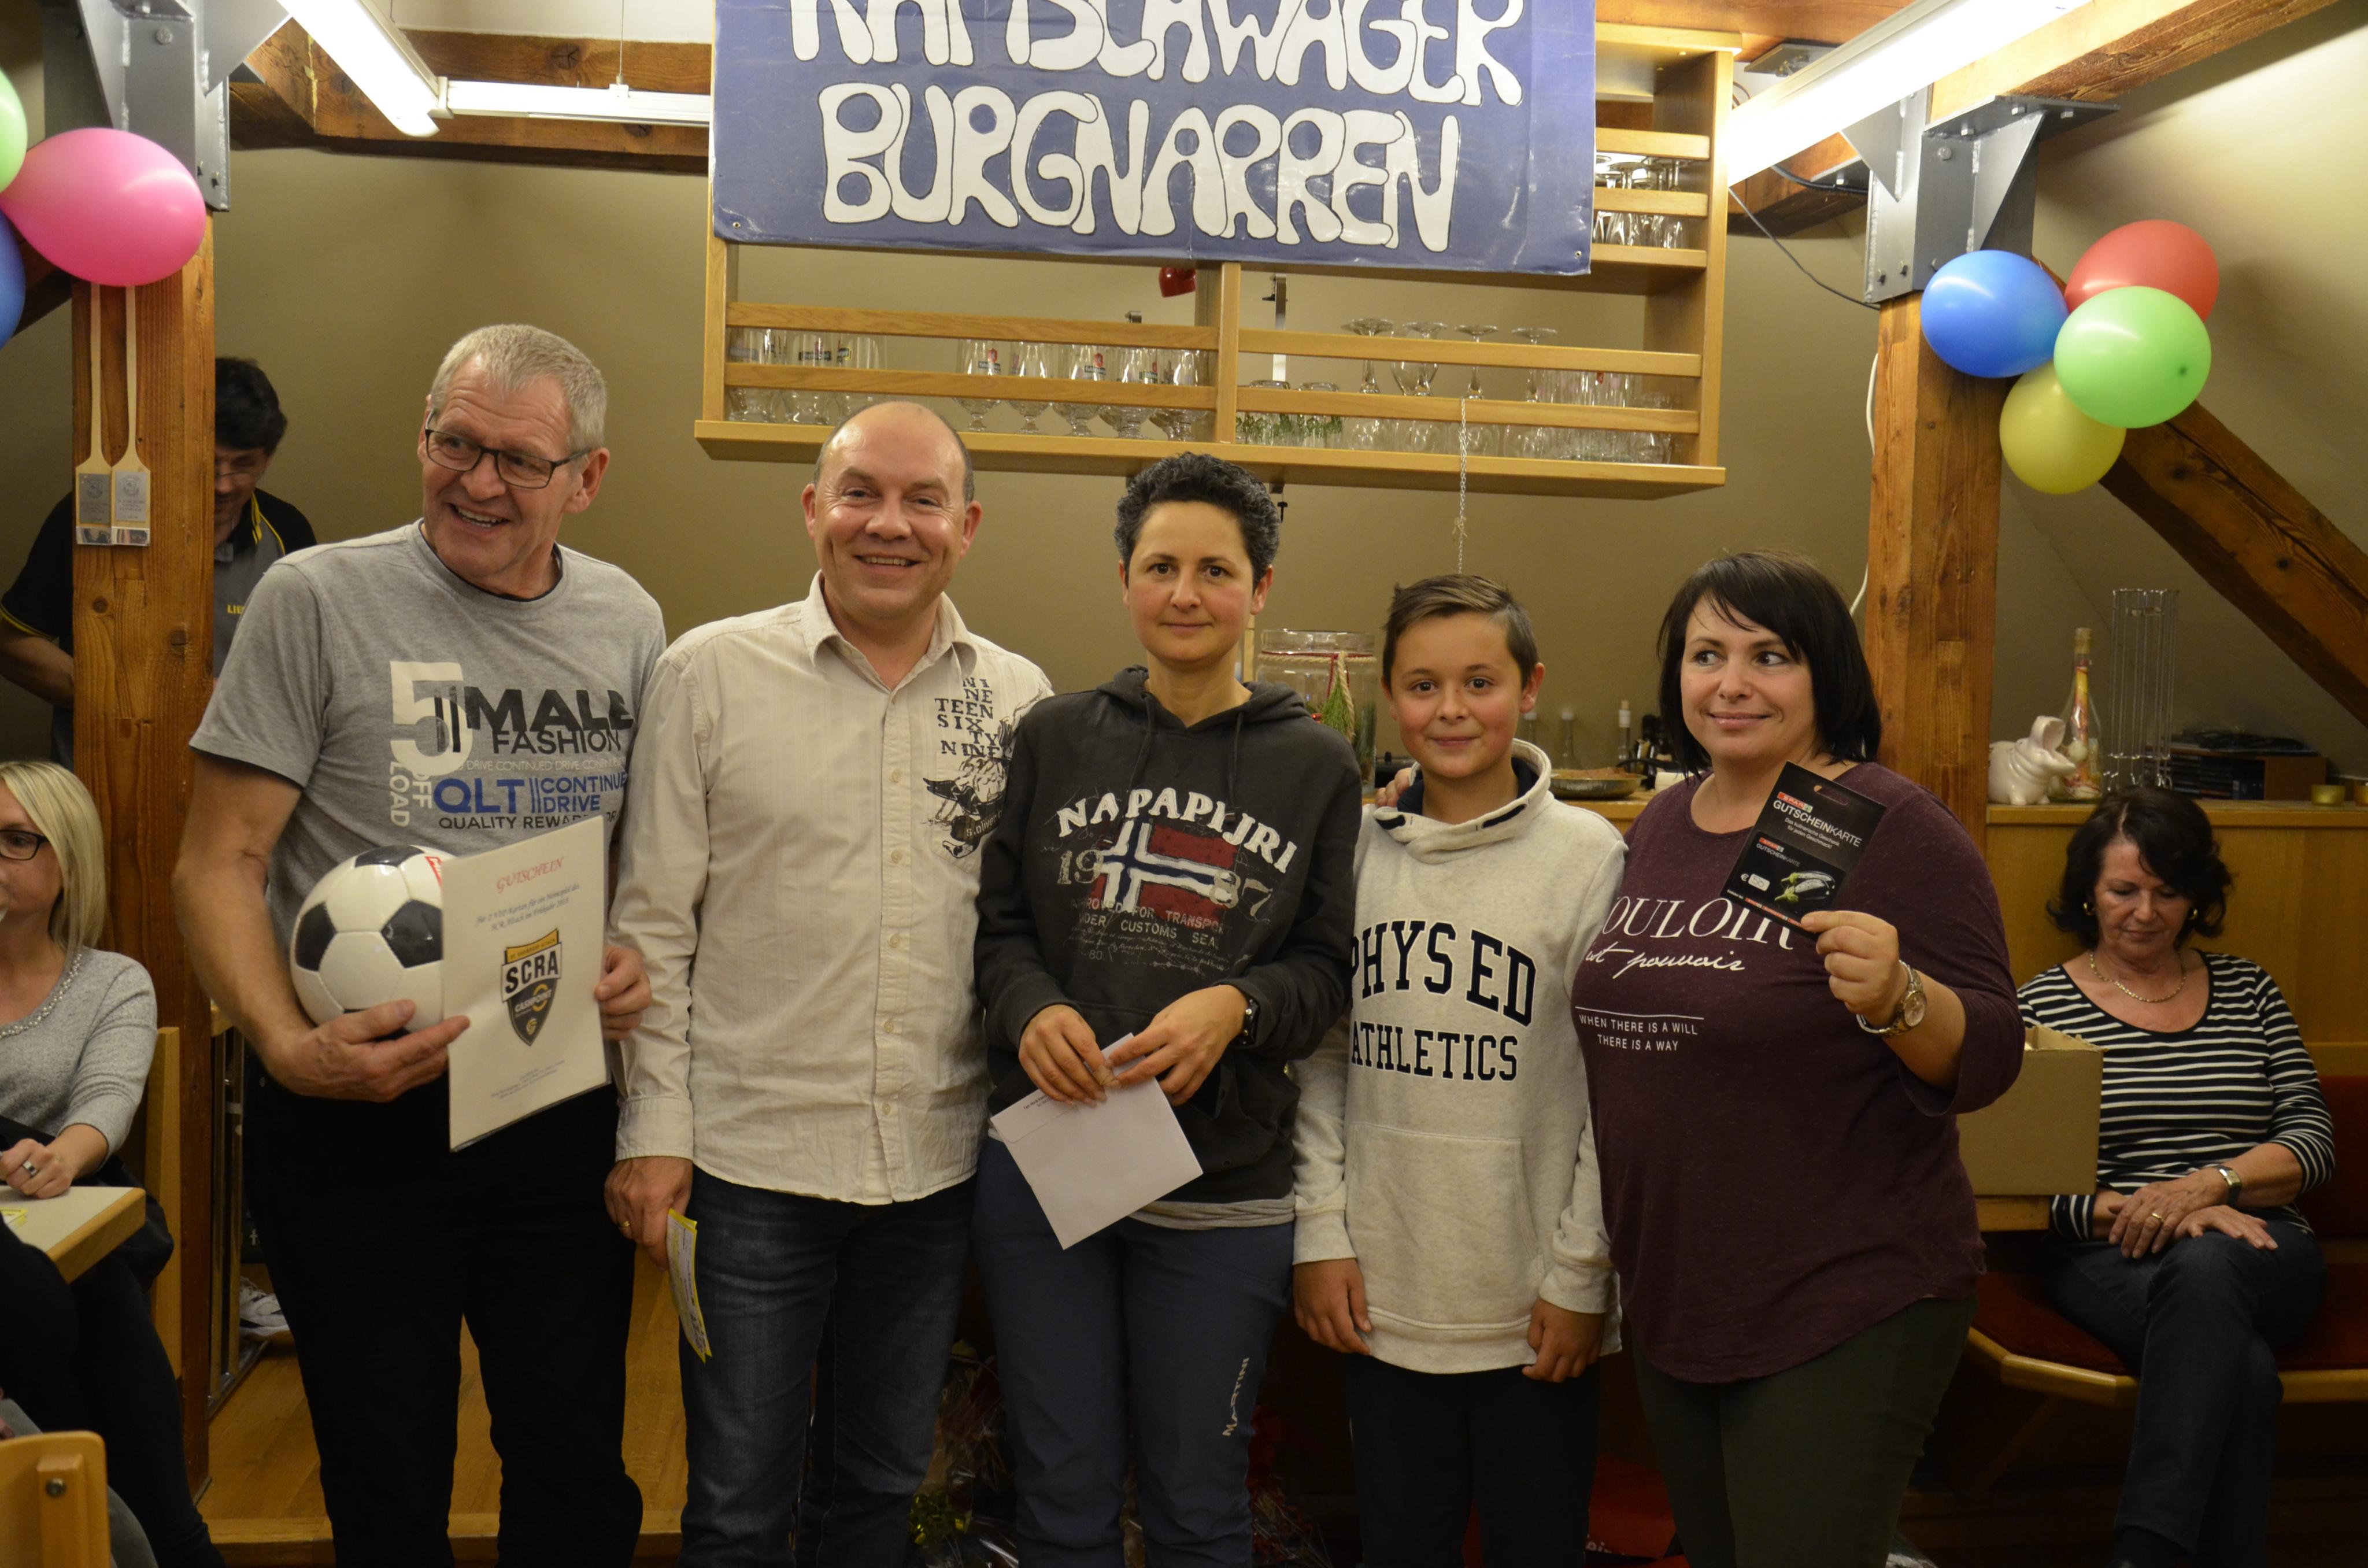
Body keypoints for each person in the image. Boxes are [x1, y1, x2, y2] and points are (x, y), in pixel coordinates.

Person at [172, 325, 664, 1568]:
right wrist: (287, 1050)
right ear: (422, 435)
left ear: (587, 479)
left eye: (519, 459)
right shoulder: (314, 599)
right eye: (456, 443)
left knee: (574, 1468)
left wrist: (623, 954)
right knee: (385, 1472)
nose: (478, 482)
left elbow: (634, 857)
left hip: (550, 1102)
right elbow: (217, 861)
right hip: (358, 1114)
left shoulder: (626, 618)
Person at [604, 401, 1050, 1565]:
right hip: (750, 1165)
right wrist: (653, 1133)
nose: (887, 524)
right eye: (859, 493)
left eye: (922, 500)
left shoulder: (1019, 700)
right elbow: (651, 927)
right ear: (813, 509)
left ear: (966, 525)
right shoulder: (707, 673)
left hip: (934, 1164)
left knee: (879, 1485)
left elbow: (1025, 930)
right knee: (737, 1503)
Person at [1568, 551, 2023, 1568]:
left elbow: (1995, 1049)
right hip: (1679, 1287)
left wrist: (1900, 998)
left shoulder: (1893, 825)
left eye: (1769, 656)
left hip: (1842, 1292)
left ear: (1827, 673)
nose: (1732, 683)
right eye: (1707, 655)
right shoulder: (1663, 821)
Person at [970, 450, 1361, 1567]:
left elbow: (1326, 968)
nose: (1185, 594)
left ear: (1260, 588)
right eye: (1160, 567)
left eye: (1215, 570)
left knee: (1199, 1505)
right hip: (1051, 1166)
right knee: (1060, 1496)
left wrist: (1239, 1003)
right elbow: (998, 930)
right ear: (1124, 580)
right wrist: (1028, 1009)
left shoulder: (1318, 763)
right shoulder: (1054, 736)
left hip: (1222, 1187)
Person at [1292, 575, 1626, 1567]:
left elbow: (1615, 1092)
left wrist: (1583, 1274)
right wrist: (1320, 1230)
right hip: (1384, 1297)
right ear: (1390, 696)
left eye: (1480, 682)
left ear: (1529, 688)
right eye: (1423, 685)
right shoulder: (1355, 852)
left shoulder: (1591, 857)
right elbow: (1321, 1055)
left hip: (1535, 1307)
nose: (1451, 710)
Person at [2017, 787, 2334, 1568]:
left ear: (2196, 896)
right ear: (2088, 893)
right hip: (2109, 1253)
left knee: (2211, 1261)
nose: (2145, 912)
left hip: (2265, 1249)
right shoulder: (2039, 1008)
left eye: (2167, 891)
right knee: (2243, 1370)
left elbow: (2312, 1142)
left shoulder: (2251, 991)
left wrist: (2208, 1188)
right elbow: (2026, 1184)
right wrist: (2157, 1211)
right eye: (2124, 890)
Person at [0, 760, 223, 1568]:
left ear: (67, 860)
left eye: (15, 840)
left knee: (84, 1289)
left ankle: (136, 1529)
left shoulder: (111, 981)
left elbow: (107, 1098)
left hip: (70, 1221)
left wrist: (62, 1156)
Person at [0, 358, 317, 765]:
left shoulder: (288, 532)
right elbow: (12, 644)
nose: (223, 485)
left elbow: (307, 672)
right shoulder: (97, 514)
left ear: (268, 459)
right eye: (208, 462)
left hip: (233, 777)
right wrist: (144, 701)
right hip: (105, 771)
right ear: (174, 446)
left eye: (243, 465)